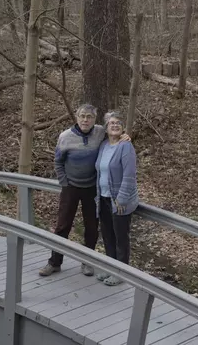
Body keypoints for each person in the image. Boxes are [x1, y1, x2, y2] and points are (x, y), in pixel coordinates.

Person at [39, 104, 129, 277]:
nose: (85, 120)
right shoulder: (65, 137)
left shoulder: (99, 133)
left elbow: (114, 134)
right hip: (71, 187)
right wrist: (64, 181)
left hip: (92, 188)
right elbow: (58, 162)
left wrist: (125, 135)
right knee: (63, 225)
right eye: (82, 116)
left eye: (89, 116)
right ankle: (54, 262)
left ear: (95, 119)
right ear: (77, 117)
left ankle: (87, 262)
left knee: (92, 227)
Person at [94, 111, 138, 286]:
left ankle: (121, 272)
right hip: (103, 198)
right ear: (106, 127)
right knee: (107, 236)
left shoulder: (126, 146)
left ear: (122, 127)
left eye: (118, 123)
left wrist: (122, 199)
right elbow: (100, 171)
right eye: (111, 123)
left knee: (121, 238)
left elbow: (129, 175)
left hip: (119, 201)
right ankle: (111, 267)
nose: (115, 125)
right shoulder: (104, 145)